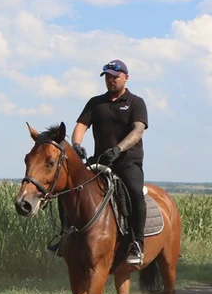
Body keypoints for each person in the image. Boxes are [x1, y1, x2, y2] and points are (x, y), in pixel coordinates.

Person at [48, 58, 148, 266]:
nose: (111, 81)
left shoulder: (136, 102)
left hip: (127, 162)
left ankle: (137, 244)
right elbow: (81, 126)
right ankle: (65, 234)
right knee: (67, 187)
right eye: (108, 77)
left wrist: (119, 149)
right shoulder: (96, 102)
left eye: (115, 77)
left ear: (126, 78)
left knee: (135, 193)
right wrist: (76, 144)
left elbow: (137, 130)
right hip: (101, 161)